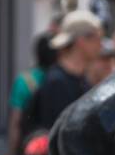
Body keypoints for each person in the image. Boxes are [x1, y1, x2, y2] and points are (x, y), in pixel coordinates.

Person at [22, 9, 103, 144]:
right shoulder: (57, 83)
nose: (100, 44)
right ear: (81, 41)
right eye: (97, 37)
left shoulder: (80, 80)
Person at [8, 27, 58, 155]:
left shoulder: (25, 81)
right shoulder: (62, 80)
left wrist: (13, 154)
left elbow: (15, 122)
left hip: (31, 148)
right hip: (55, 150)